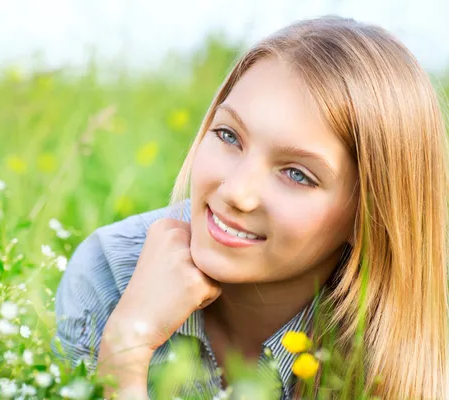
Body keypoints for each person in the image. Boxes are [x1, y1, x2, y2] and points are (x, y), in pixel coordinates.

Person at [51, 15, 449, 399]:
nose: (236, 193)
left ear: (370, 215)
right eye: (228, 135)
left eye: (296, 174)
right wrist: (127, 346)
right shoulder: (110, 275)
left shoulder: (403, 339)